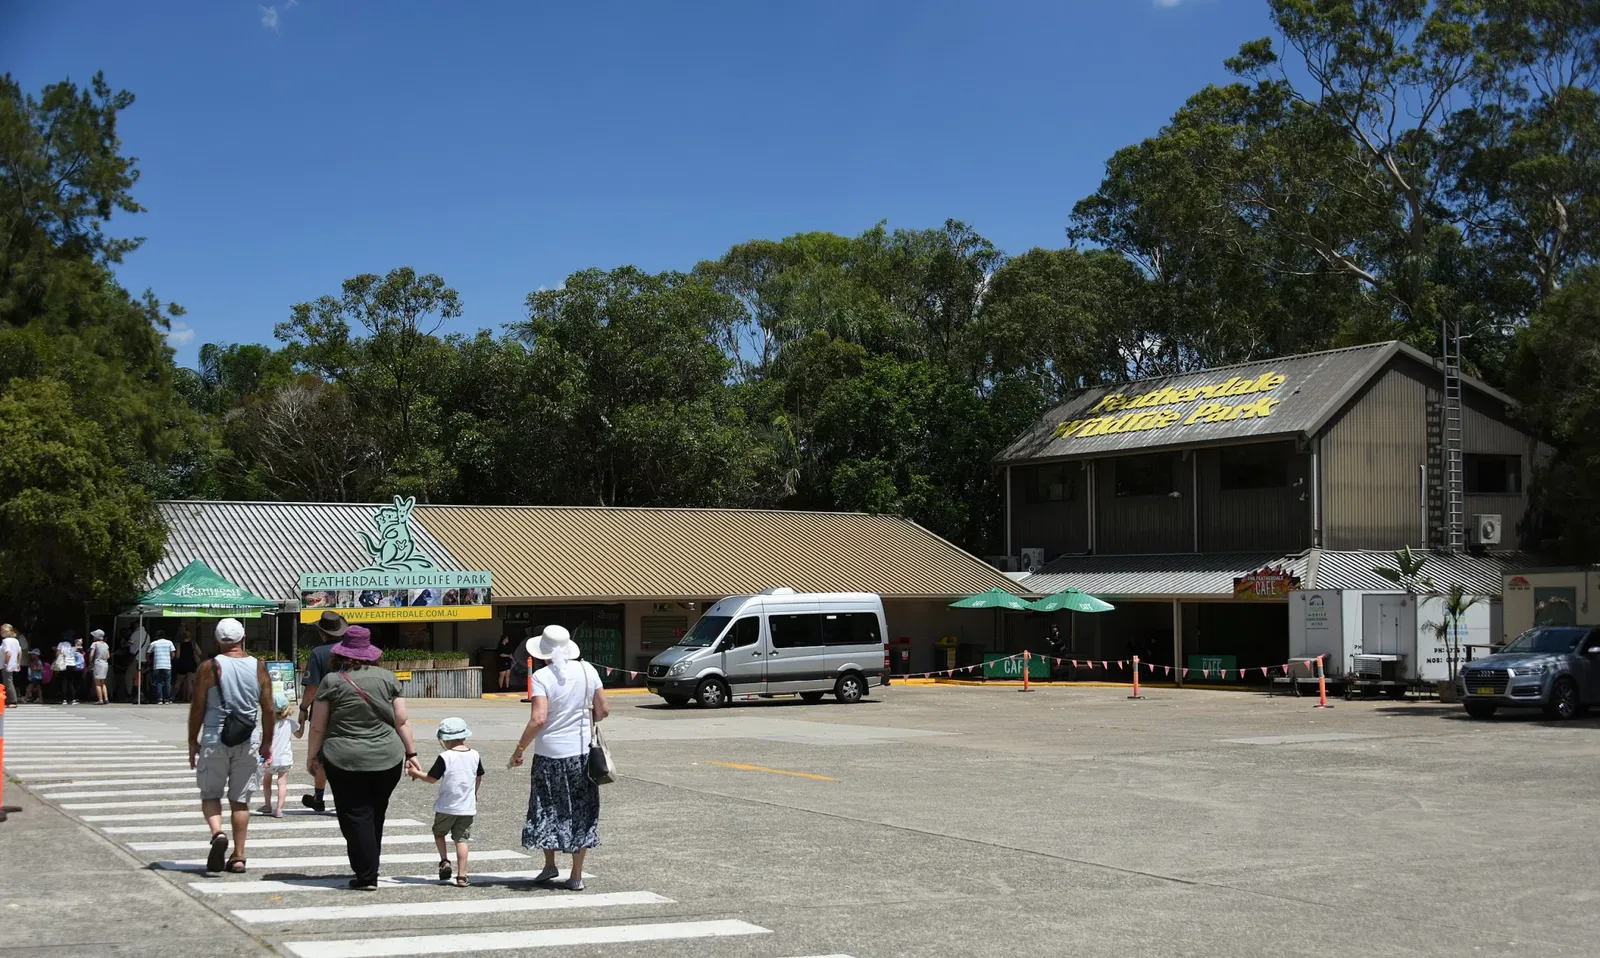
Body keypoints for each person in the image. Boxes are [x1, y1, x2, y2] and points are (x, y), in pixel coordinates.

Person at [303, 626, 422, 891]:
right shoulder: (388, 678)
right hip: (388, 758)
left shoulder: (332, 681)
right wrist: (411, 754)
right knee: (374, 813)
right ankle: (370, 867)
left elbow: (318, 726)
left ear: (342, 653)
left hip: (344, 758)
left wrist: (312, 756)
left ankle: (367, 875)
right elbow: (401, 721)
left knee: (355, 816)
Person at [510, 625, 608, 891]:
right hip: (581, 754)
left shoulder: (541, 677)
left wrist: (519, 749)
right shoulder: (589, 671)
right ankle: (576, 875)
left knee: (546, 807)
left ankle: (549, 864)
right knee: (581, 810)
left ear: (543, 653)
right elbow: (603, 710)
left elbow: (538, 719)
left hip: (548, 755)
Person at [187, 618, 274, 875]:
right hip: (248, 739)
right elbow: (268, 708)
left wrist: (193, 740)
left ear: (217, 641)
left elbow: (198, 708)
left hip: (215, 738)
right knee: (240, 801)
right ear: (243, 638)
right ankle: (238, 856)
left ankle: (217, 833)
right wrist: (267, 743)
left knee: (211, 794)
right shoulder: (259, 667)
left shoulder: (209, 667)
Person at [407, 716, 483, 887]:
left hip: (447, 806)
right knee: (462, 840)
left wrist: (415, 773)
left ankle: (444, 861)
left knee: (439, 832)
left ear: (445, 739)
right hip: (467, 807)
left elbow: (431, 778)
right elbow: (478, 776)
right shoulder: (475, 755)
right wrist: (475, 793)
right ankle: (462, 876)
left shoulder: (445, 757)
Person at [298, 611, 347, 813]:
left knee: (322, 757)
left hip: (324, 711)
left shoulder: (318, 653)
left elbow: (312, 688)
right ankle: (345, 799)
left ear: (322, 633)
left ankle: (319, 799)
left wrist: (303, 708)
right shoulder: (351, 651)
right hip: (348, 709)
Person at [259, 692, 299, 817]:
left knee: (267, 781)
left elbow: (262, 740)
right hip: (285, 759)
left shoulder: (267, 723)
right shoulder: (290, 723)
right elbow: (299, 734)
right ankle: (279, 810)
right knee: (282, 783)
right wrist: (301, 724)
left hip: (271, 759)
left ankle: (267, 805)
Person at [148, 630, 177, 705]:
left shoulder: (154, 643)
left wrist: (150, 661)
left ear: (157, 636)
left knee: (159, 682)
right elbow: (173, 654)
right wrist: (169, 660)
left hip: (157, 665)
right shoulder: (169, 642)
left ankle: (159, 699)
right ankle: (167, 699)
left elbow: (148, 653)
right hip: (167, 665)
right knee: (167, 682)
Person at [53, 632, 81, 705]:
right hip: (72, 664)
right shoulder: (73, 644)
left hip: (64, 664)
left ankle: (64, 699)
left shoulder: (61, 644)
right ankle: (72, 699)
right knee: (70, 682)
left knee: (64, 681)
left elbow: (57, 654)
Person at [89, 630, 112, 704]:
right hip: (105, 663)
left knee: (97, 683)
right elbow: (108, 656)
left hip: (98, 663)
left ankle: (100, 699)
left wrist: (90, 661)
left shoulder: (95, 644)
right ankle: (106, 698)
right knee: (103, 683)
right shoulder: (105, 644)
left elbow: (91, 654)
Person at [1, 624, 21, 707]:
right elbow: (20, 652)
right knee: (9, 681)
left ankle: (13, 701)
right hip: (13, 664)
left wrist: (6, 663)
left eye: (3, 631)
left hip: (6, 665)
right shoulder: (15, 640)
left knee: (8, 682)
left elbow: (8, 653)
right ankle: (10, 700)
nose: (1, 633)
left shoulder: (6, 641)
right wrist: (18, 663)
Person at [174, 635, 198, 703]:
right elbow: (199, 652)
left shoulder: (179, 644)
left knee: (178, 681)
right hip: (191, 664)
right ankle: (189, 698)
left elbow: (178, 655)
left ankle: (173, 696)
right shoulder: (193, 643)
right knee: (190, 683)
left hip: (182, 664)